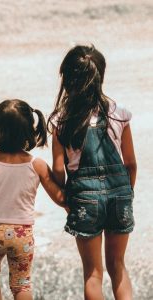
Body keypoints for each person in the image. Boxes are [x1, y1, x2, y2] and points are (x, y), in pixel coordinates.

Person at [47, 45, 137, 300]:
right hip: (120, 194)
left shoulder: (61, 120)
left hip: (85, 198)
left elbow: (57, 168)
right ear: (101, 76)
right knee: (118, 266)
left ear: (67, 78)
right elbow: (130, 163)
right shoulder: (118, 114)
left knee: (93, 273)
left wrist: (66, 199)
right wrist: (126, 193)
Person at [0, 99, 65, 300]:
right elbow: (60, 197)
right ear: (30, 129)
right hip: (22, 234)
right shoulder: (37, 165)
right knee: (21, 284)